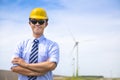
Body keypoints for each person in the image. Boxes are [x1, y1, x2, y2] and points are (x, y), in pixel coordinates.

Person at [11, 7, 59, 80]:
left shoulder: (52, 45)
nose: (37, 24)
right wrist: (41, 71)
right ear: (29, 23)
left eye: (41, 21)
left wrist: (25, 65)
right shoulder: (21, 44)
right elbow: (14, 68)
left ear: (46, 24)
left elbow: (51, 65)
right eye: (34, 21)